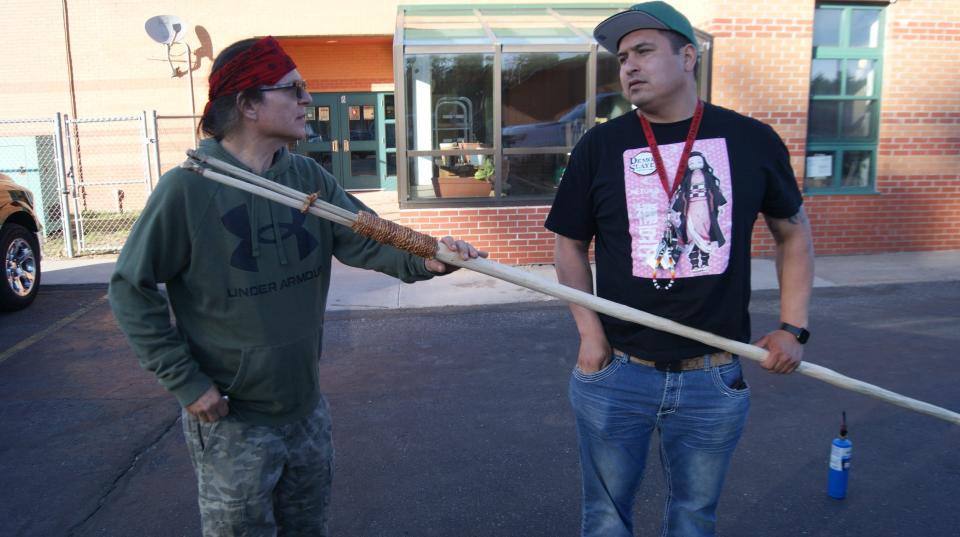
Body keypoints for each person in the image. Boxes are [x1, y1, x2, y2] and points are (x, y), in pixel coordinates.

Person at [109, 36, 484, 536]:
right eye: (294, 89)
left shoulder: (306, 175)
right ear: (247, 104)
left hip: (306, 407)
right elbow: (130, 289)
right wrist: (187, 383)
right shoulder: (188, 188)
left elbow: (366, 236)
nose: (308, 99)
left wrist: (431, 257)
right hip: (231, 419)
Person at [545, 3, 814, 536]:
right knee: (604, 519)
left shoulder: (750, 140)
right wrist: (590, 336)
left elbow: (793, 231)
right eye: (622, 58)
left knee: (693, 518)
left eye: (644, 51)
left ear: (688, 56)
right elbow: (568, 245)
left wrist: (792, 326)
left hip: (713, 375)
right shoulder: (601, 145)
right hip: (618, 371)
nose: (629, 67)